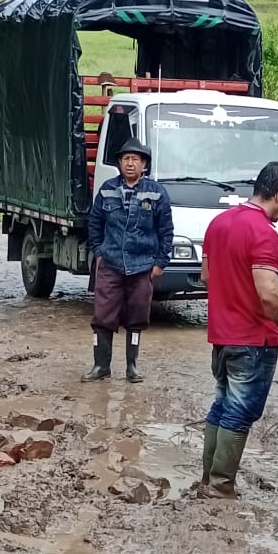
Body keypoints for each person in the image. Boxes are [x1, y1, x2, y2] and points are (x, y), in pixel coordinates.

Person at [199, 161, 278, 498]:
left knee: (221, 404)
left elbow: (206, 277)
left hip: (221, 336)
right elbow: (269, 295)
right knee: (240, 411)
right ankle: (221, 485)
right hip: (252, 340)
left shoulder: (218, 224)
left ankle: (208, 479)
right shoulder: (264, 234)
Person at [84, 137, 173, 384]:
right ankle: (101, 365)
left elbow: (166, 231)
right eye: (126, 159)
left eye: (135, 159)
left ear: (144, 164)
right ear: (119, 163)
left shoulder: (157, 193)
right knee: (103, 315)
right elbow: (94, 224)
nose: (130, 164)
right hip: (110, 263)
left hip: (143, 265)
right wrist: (99, 252)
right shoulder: (107, 189)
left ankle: (132, 367)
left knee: (137, 316)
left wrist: (160, 263)